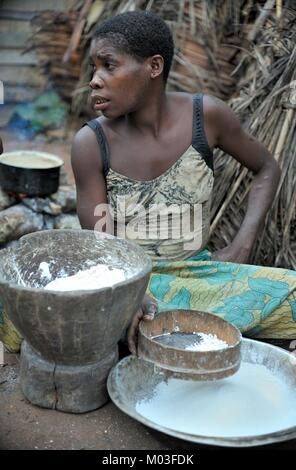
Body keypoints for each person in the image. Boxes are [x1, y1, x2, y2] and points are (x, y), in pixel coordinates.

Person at [71, 10, 296, 354]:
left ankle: (171, 332)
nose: (95, 80)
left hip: (201, 277)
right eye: (94, 68)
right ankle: (183, 330)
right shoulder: (90, 144)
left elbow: (267, 167)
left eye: (109, 66)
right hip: (126, 282)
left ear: (154, 67)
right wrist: (133, 294)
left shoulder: (205, 117)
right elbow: (103, 246)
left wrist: (243, 243)